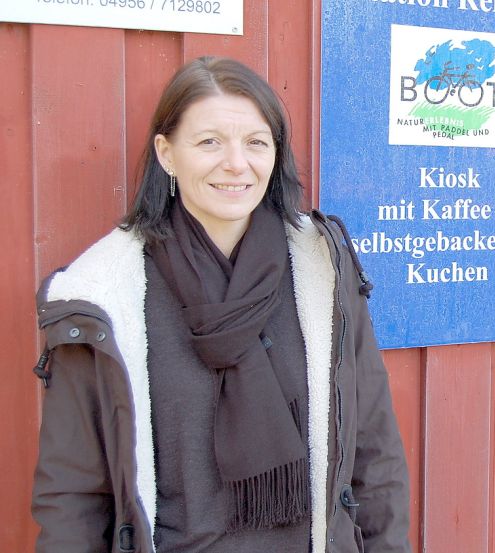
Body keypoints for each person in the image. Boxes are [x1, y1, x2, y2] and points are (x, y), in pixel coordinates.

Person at [31, 56, 411, 553]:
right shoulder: (104, 296)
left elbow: (374, 452)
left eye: (256, 142)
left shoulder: (322, 273)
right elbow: (72, 491)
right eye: (209, 141)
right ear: (167, 153)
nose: (236, 163)